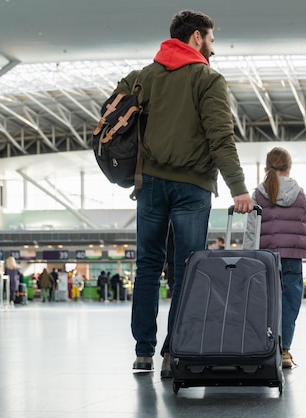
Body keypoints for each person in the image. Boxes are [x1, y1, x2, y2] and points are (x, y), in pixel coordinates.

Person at [115, 10, 254, 376]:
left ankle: (142, 350)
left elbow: (114, 108)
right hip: (192, 187)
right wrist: (238, 187)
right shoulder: (207, 79)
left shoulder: (143, 76)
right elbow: (220, 137)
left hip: (150, 185)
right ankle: (174, 350)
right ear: (196, 37)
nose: (214, 48)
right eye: (211, 40)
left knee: (147, 266)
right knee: (188, 269)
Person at [243, 147, 306, 368]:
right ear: (289, 168)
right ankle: (285, 350)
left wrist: (246, 260)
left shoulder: (258, 194)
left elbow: (251, 232)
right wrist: (305, 225)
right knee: (290, 305)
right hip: (293, 258)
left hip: (265, 260)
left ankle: (264, 348)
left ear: (267, 168)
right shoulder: (299, 193)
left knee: (265, 303)